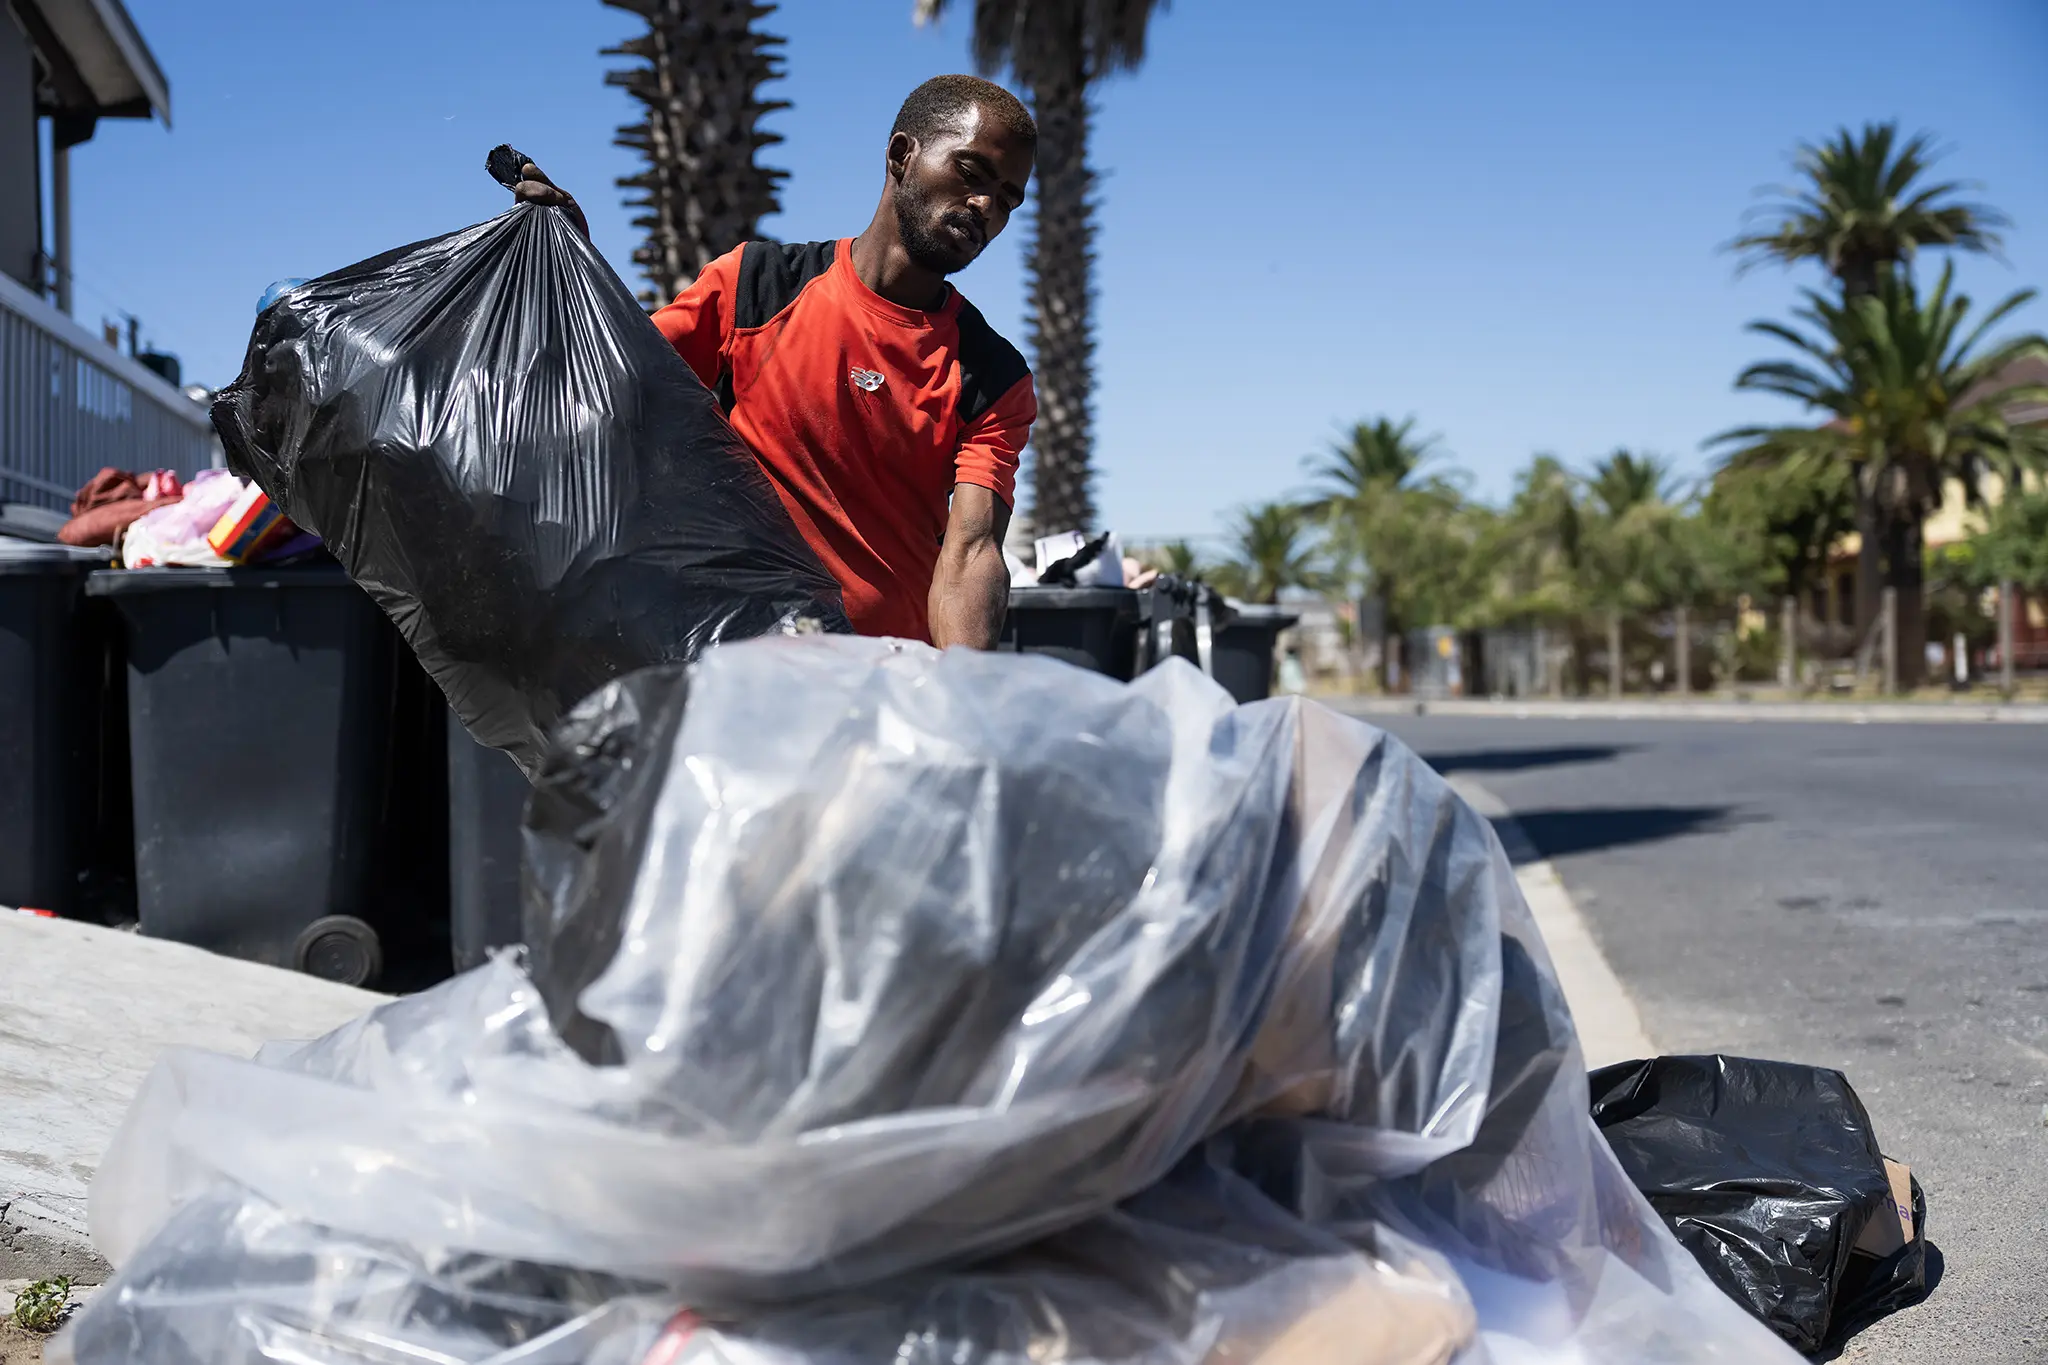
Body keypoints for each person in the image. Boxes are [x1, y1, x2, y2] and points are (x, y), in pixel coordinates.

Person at [510, 75, 1037, 649]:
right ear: (901, 156)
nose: (986, 207)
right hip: (742, 664)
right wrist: (575, 268)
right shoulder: (754, 288)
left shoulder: (993, 376)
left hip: (886, 680)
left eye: (1007, 199)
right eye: (971, 173)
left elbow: (972, 552)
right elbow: (608, 383)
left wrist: (962, 688)